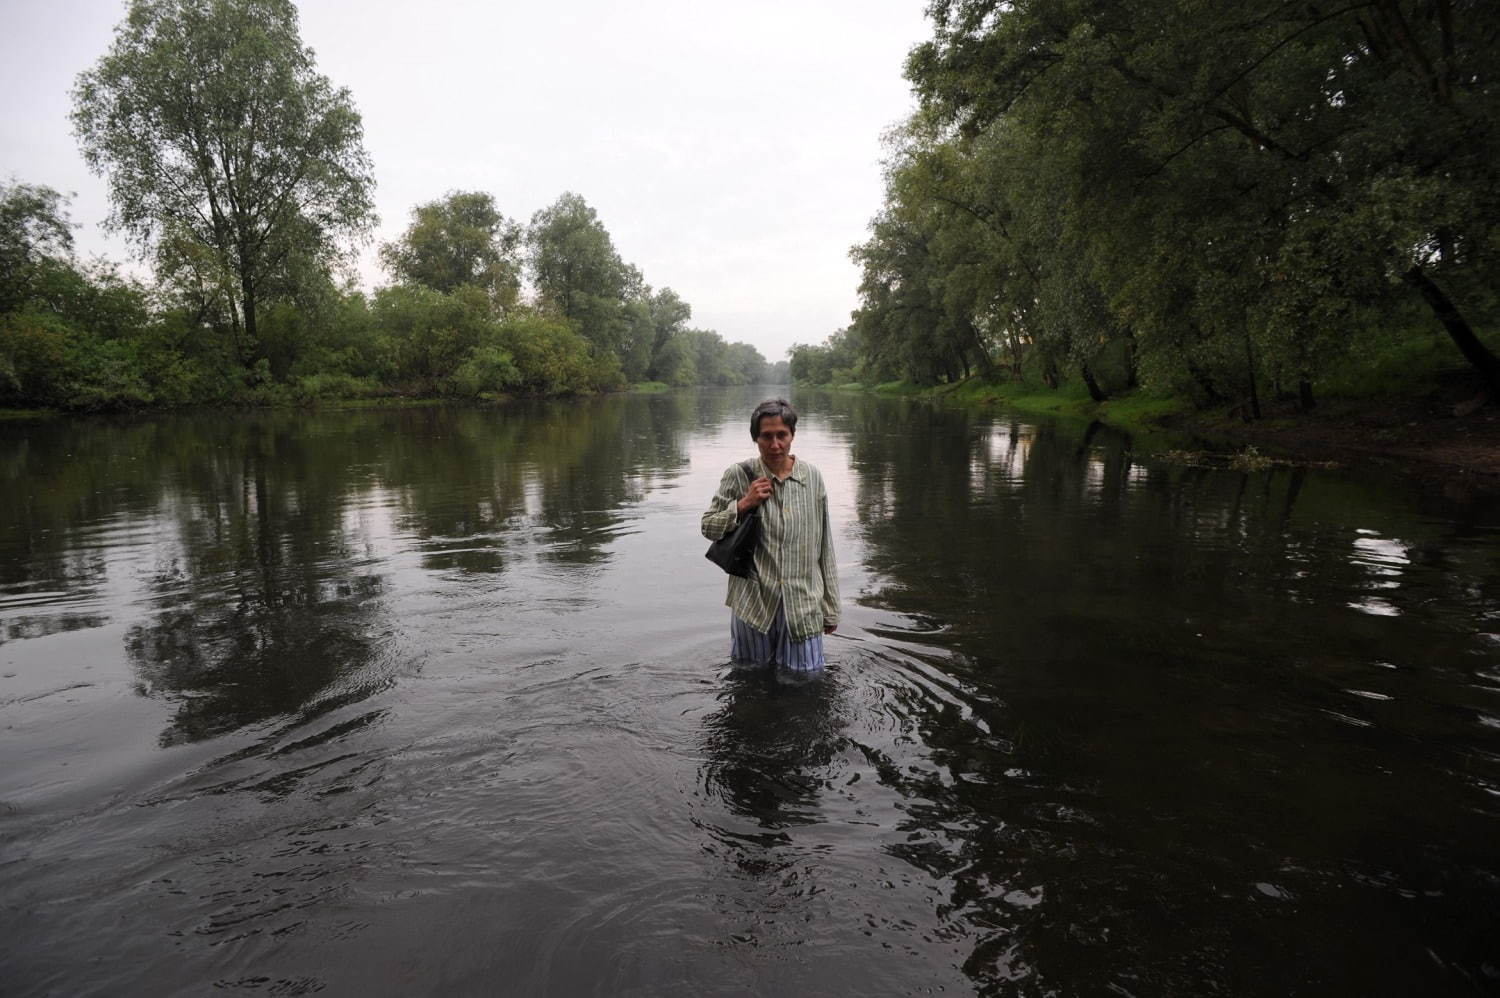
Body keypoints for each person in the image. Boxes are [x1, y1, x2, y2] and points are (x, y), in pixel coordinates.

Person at [701, 398, 839, 670]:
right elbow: (708, 527)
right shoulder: (739, 475)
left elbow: (825, 546)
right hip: (754, 604)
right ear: (755, 438)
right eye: (766, 436)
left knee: (806, 682)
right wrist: (743, 504)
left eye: (781, 435)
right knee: (750, 682)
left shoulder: (812, 477)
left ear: (792, 436)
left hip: (803, 605)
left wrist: (831, 607)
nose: (775, 445)